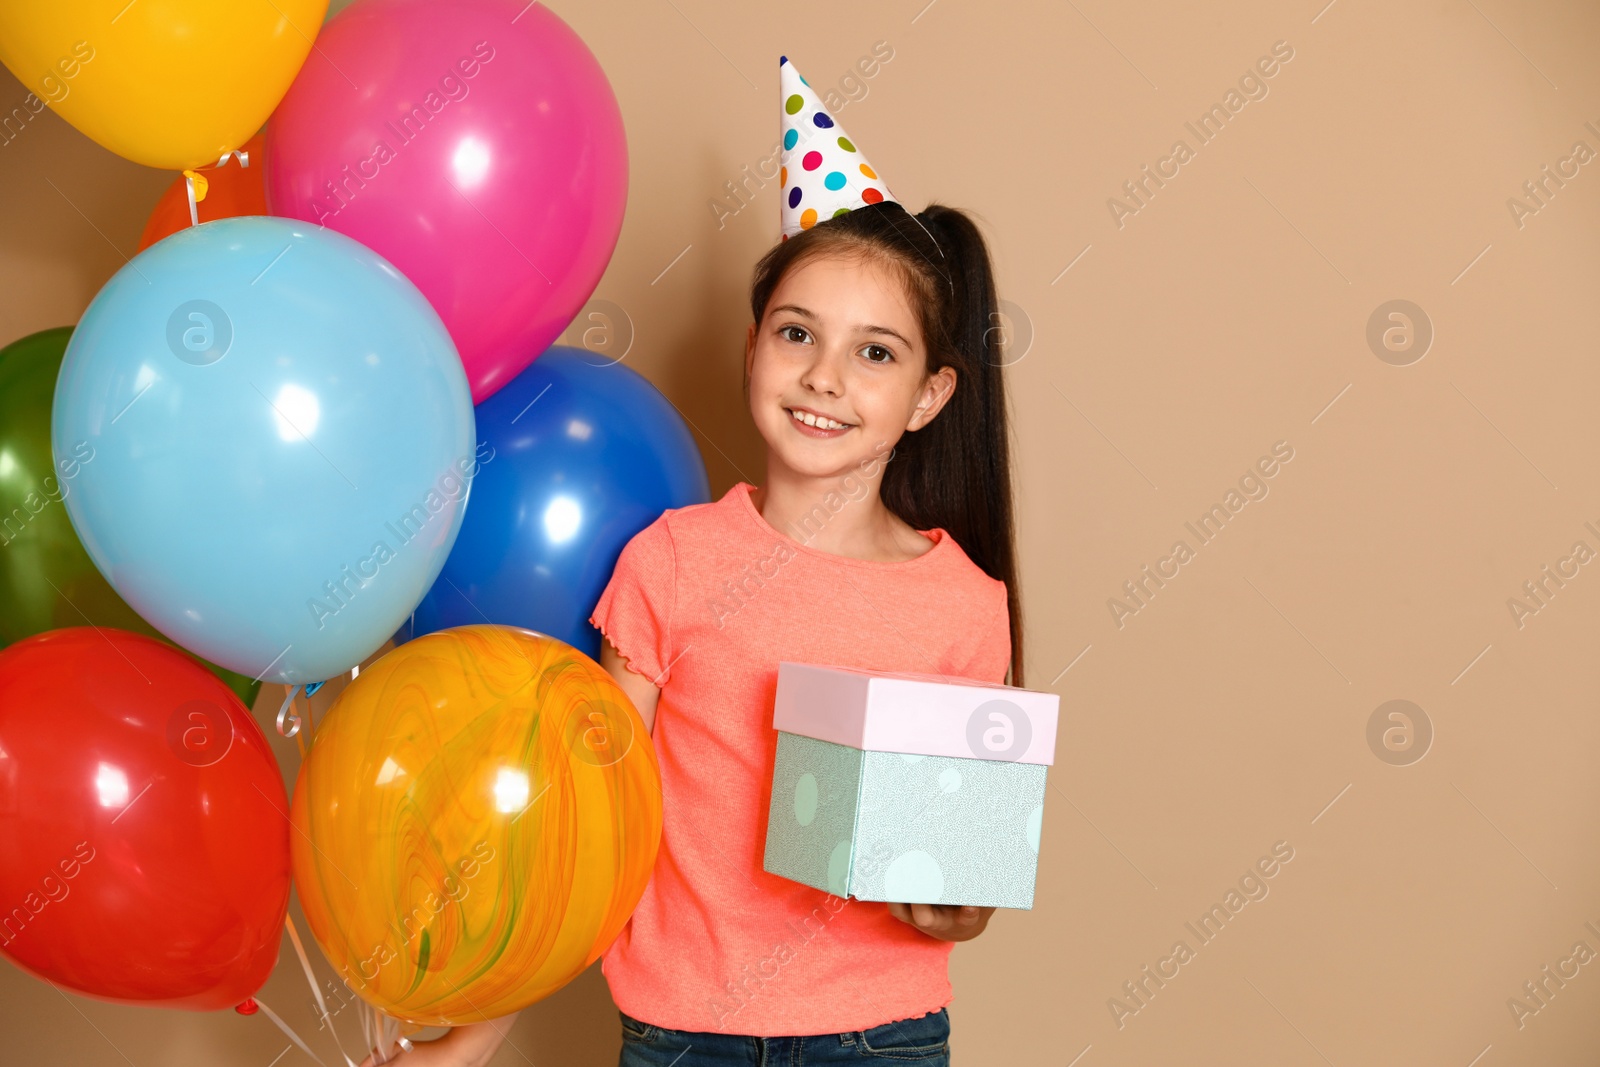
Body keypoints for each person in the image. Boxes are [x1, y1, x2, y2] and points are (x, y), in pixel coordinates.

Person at [358, 54, 1022, 1067]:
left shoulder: (963, 605)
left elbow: (957, 908)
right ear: (754, 348)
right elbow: (587, 832)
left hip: (881, 1036)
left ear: (929, 398)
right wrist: (473, 1038)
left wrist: (935, 891)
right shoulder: (672, 561)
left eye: (875, 353)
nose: (825, 378)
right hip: (682, 1034)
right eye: (798, 334)